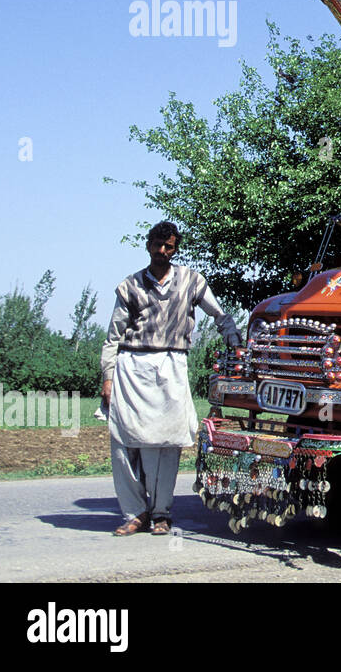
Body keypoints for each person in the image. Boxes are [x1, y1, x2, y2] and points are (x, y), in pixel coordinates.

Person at [101, 222, 242, 536]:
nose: (162, 251)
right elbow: (113, 336)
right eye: (157, 245)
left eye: (169, 247)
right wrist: (108, 377)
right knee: (124, 444)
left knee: (167, 443)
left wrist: (235, 340)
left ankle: (161, 513)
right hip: (131, 366)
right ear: (148, 245)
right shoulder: (130, 286)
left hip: (172, 364)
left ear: (176, 248)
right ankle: (135, 514)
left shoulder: (192, 281)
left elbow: (220, 316)